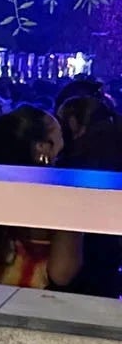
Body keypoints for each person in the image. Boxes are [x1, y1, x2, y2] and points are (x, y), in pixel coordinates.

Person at [0, 106, 81, 288]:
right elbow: (62, 273)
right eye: (58, 131)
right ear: (42, 148)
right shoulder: (59, 200)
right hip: (24, 299)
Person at [57, 94, 122, 298]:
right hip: (110, 244)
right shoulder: (115, 143)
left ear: (73, 122)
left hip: (80, 245)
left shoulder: (75, 158)